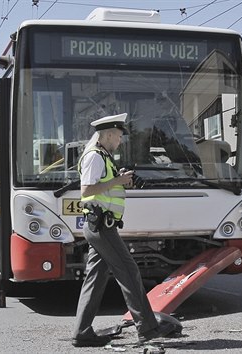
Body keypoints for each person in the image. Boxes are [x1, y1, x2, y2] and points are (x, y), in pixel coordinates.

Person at [72, 113, 177, 347]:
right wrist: (117, 182)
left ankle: (82, 332)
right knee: (129, 273)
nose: (120, 141)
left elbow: (101, 187)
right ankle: (148, 329)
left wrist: (118, 178)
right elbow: (87, 190)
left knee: (95, 280)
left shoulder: (103, 157)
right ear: (108, 135)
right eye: (118, 136)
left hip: (100, 226)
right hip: (101, 227)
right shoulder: (95, 156)